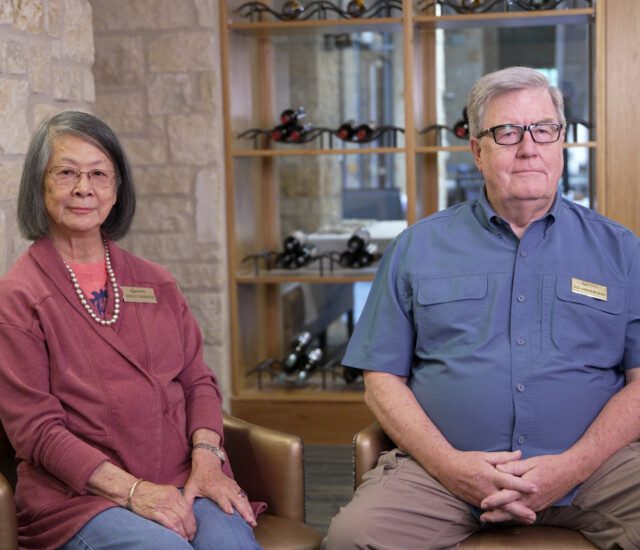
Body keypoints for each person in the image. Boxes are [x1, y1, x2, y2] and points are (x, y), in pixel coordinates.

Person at [323, 67, 640, 549]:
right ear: (476, 149)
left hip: (593, 473)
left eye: (543, 129)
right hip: (445, 478)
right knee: (352, 538)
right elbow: (381, 382)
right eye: (507, 132)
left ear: (561, 141)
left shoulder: (621, 251)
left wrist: (571, 466)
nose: (528, 147)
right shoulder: (416, 248)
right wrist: (452, 467)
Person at [0, 111, 264, 549]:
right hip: (80, 498)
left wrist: (207, 460)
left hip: (185, 478)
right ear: (38, 185)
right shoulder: (18, 296)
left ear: (117, 189)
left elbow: (197, 381)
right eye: (66, 172)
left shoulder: (155, 281)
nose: (83, 188)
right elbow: (37, 432)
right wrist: (134, 491)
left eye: (99, 173)